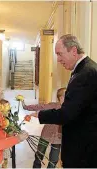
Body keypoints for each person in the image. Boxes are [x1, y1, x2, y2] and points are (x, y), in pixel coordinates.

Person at [36, 34, 97, 167]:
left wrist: (40, 114)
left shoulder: (85, 74)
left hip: (83, 150)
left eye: (60, 54)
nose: (58, 59)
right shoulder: (85, 69)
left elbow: (67, 114)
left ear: (74, 51)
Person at [23, 88, 66, 168]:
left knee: (54, 159)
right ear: (61, 97)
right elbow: (41, 107)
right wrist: (26, 107)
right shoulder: (53, 105)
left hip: (58, 138)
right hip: (46, 135)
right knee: (39, 155)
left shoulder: (68, 109)